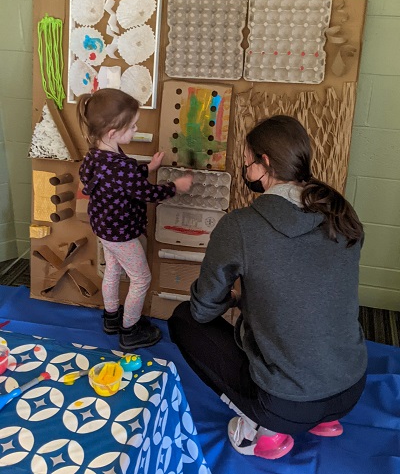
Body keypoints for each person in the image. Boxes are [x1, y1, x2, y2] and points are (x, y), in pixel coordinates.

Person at [168, 115, 367, 461]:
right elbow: (315, 289)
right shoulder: (340, 211)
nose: (245, 172)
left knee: (183, 319)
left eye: (246, 163)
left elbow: (202, 309)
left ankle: (262, 431)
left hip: (285, 406)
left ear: (265, 164)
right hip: (351, 388)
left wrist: (234, 298)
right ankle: (324, 420)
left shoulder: (241, 226)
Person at [78, 88, 192, 352]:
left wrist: (147, 167)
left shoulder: (95, 155)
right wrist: (175, 186)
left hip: (103, 228)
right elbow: (146, 193)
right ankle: (129, 330)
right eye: (132, 127)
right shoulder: (121, 167)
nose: (136, 129)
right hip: (122, 233)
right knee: (141, 279)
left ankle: (110, 318)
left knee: (114, 270)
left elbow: (119, 180)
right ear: (112, 133)